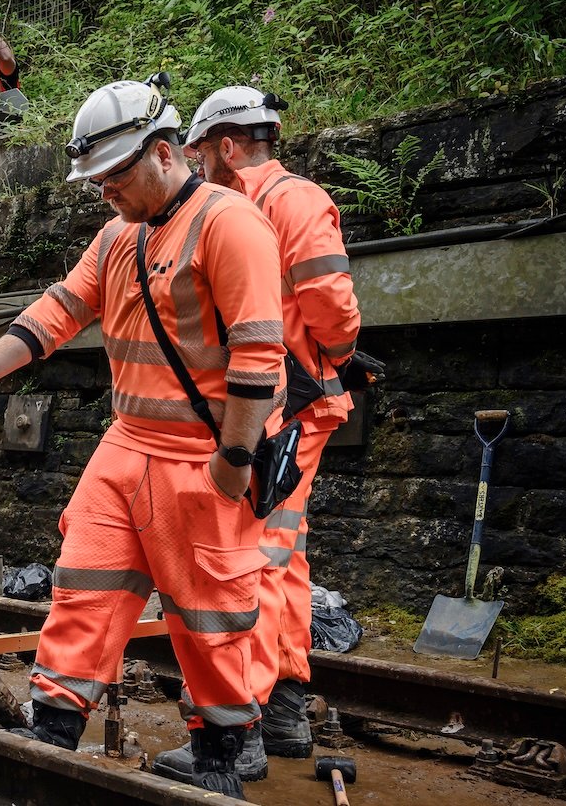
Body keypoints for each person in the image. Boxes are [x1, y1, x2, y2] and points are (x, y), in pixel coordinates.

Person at [0, 75, 285, 798]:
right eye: (94, 178)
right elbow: (60, 309)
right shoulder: (120, 235)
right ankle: (52, 734)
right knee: (82, 585)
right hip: (128, 444)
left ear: (162, 154)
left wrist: (234, 463)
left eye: (113, 176)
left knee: (210, 612)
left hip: (201, 455)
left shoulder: (229, 224)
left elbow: (258, 356)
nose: (102, 191)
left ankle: (221, 756)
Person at [147, 85, 362, 783]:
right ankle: (288, 711)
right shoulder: (275, 203)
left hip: (279, 408)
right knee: (283, 555)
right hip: (284, 404)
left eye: (201, 152)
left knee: (252, 559)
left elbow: (334, 306)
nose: (196, 165)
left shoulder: (278, 202)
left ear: (228, 147)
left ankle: (241, 727)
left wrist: (322, 353)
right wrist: (328, 353)